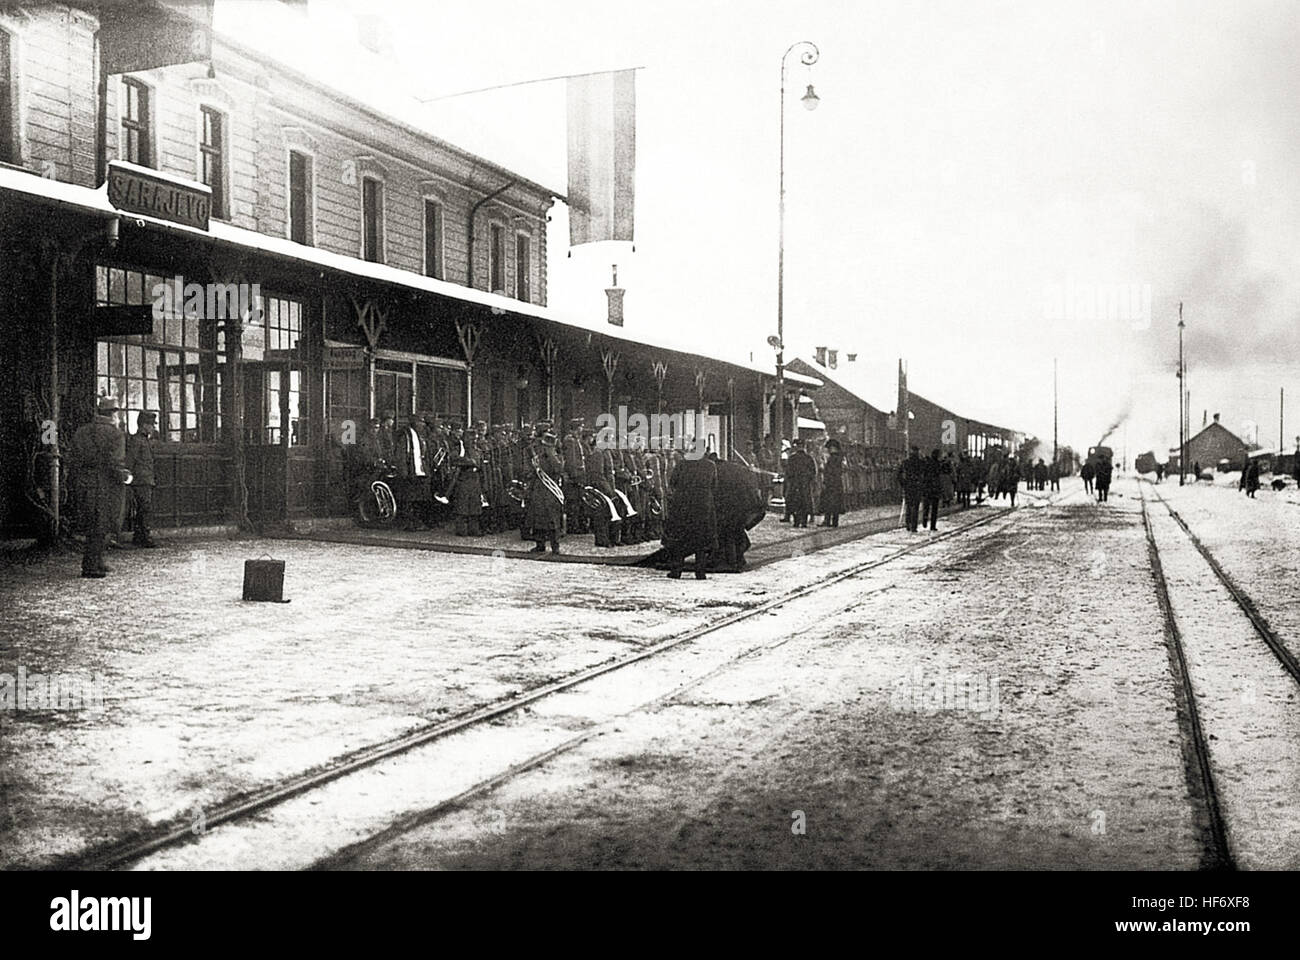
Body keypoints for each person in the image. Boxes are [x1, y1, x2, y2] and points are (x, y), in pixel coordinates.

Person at [71, 396, 129, 578]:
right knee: (102, 524)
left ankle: (98, 561)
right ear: (113, 415)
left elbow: (73, 459)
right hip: (106, 485)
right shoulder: (115, 434)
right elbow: (115, 463)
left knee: (93, 523)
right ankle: (90, 567)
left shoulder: (81, 432)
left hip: (84, 483)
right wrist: (124, 476)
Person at [663, 454, 718, 579]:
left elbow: (673, 482)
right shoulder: (710, 465)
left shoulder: (682, 464)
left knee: (681, 538)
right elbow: (714, 486)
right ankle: (700, 572)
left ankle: (676, 571)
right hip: (703, 506)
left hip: (683, 505)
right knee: (702, 539)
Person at [525, 425, 565, 554]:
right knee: (538, 519)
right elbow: (530, 471)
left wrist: (551, 454)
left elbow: (558, 469)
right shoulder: (535, 455)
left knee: (553, 520)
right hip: (538, 489)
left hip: (551, 491)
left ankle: (555, 546)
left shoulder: (555, 454)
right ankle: (540, 544)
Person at [124, 411, 159, 548]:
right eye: (151, 425)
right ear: (144, 425)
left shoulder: (144, 440)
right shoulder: (137, 441)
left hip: (145, 480)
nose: (153, 428)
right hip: (140, 481)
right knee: (144, 509)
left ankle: (139, 536)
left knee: (143, 509)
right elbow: (130, 461)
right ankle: (144, 537)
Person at [784, 440, 817, 528]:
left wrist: (790, 479)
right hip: (805, 484)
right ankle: (804, 522)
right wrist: (809, 479)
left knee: (795, 502)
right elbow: (813, 471)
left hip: (795, 484)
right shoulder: (809, 458)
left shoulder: (792, 458)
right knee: (805, 502)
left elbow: (788, 471)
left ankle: (796, 521)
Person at [896, 446, 924, 532]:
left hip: (908, 486)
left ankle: (908, 524)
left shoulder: (905, 462)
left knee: (909, 506)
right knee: (915, 506)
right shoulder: (921, 462)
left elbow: (899, 474)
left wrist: (903, 483)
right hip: (917, 486)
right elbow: (925, 474)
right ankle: (914, 526)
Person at [818, 439, 845, 527]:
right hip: (837, 483)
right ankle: (835, 521)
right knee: (836, 503)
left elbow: (829, 472)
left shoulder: (832, 459)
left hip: (830, 483)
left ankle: (827, 520)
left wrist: (825, 481)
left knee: (828, 502)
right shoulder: (840, 458)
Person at [920, 449, 942, 531]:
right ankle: (933, 525)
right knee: (934, 509)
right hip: (935, 488)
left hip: (927, 488)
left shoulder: (927, 464)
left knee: (926, 506)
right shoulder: (938, 464)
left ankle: (925, 519)